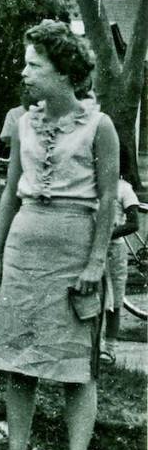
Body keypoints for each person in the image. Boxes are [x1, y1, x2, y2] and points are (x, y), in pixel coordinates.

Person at [0, 20, 118, 450]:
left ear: (63, 73)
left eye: (34, 65)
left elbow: (108, 201)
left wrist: (96, 262)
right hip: (24, 246)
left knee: (75, 365)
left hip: (75, 249)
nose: (24, 73)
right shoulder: (23, 122)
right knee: (19, 359)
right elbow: (9, 195)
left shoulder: (100, 127)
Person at [102, 147, 141, 367]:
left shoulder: (124, 189)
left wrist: (109, 233)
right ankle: (91, 346)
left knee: (115, 301)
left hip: (114, 252)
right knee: (94, 299)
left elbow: (133, 223)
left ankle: (110, 348)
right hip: (92, 251)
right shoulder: (93, 187)